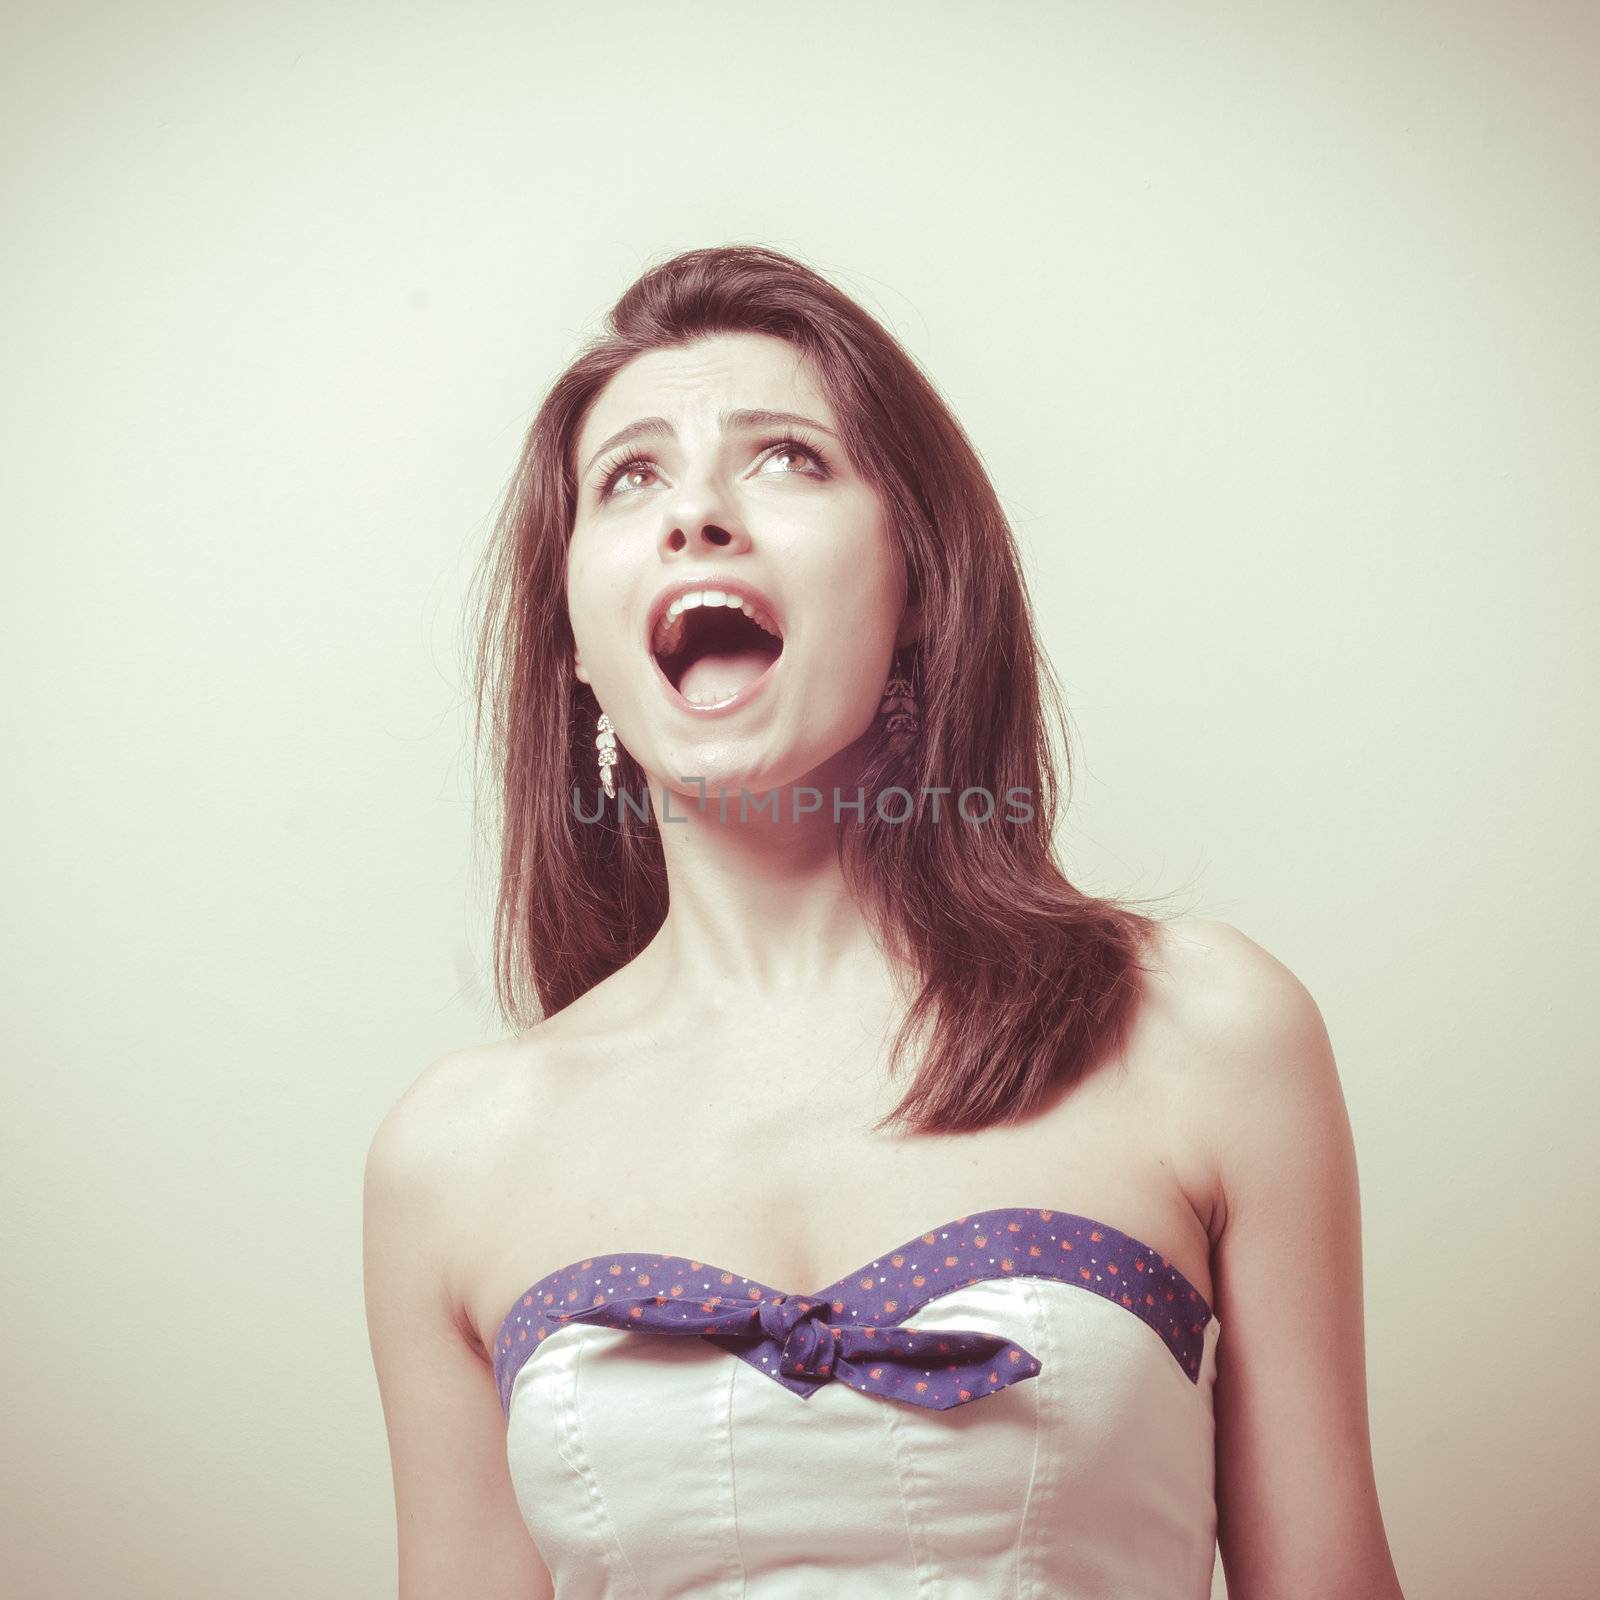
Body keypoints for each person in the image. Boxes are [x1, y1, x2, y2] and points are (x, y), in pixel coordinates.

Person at [362, 245, 1405, 1599]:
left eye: (786, 457)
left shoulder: (1206, 1030)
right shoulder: (450, 1160)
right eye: (631, 478)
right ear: (574, 632)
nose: (697, 515)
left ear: (917, 581)